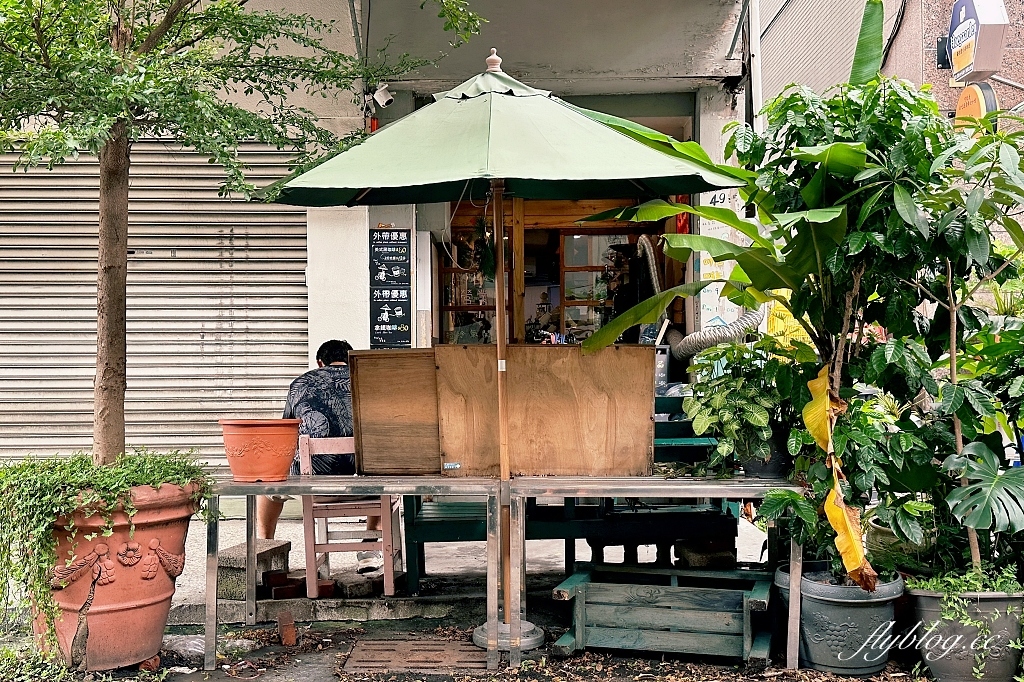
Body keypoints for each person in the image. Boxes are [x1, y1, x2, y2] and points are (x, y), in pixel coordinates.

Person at [256, 339, 383, 573]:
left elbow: (287, 433)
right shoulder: (370, 383)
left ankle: (264, 545)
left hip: (312, 489)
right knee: (384, 478)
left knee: (268, 487)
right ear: (350, 361)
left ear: (320, 362)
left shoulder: (300, 384)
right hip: (365, 490)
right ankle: (370, 547)